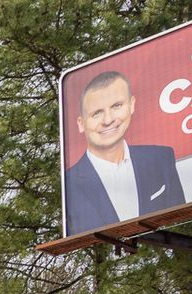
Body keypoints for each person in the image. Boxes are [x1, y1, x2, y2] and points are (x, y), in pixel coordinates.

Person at [63, 70, 185, 235]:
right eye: (97, 113)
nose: (108, 120)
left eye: (116, 106)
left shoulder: (161, 159)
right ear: (81, 123)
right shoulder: (70, 184)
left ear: (131, 105)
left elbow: (182, 224)